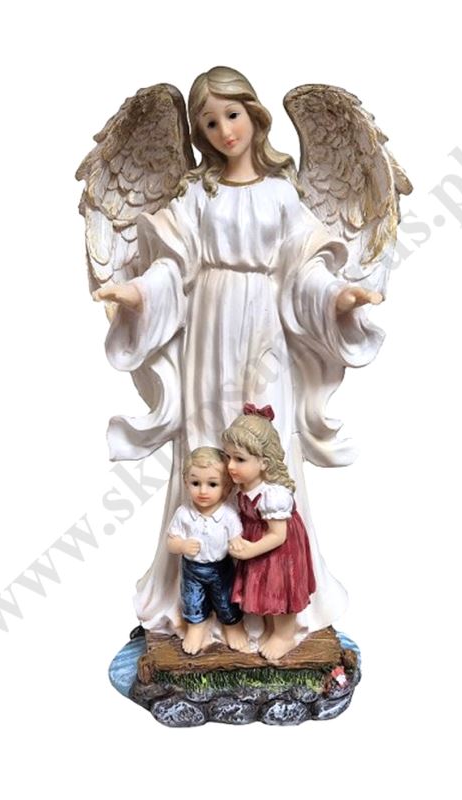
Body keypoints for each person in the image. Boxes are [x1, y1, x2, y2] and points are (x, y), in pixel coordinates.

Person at [97, 66, 385, 645]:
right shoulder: (195, 195)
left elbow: (305, 267)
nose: (224, 130)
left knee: (264, 449)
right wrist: (137, 293)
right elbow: (171, 265)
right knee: (207, 445)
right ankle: (202, 607)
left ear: (253, 114)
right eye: (209, 122)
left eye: (232, 115)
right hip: (209, 326)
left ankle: (269, 604)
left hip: (265, 327)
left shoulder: (282, 193)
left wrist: (338, 296)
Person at [222, 405, 315, 660]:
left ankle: (284, 636)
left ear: (264, 462)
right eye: (228, 457)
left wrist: (250, 549)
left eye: (239, 459)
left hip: (281, 552)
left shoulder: (273, 495)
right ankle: (271, 631)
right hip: (260, 546)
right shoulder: (244, 488)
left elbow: (278, 535)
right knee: (264, 590)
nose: (230, 465)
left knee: (280, 590)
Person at [165, 447, 249, 654]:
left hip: (221, 568)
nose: (203, 491)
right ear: (186, 482)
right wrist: (181, 545)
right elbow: (170, 542)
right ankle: (196, 628)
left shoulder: (228, 515)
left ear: (226, 487)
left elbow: (236, 538)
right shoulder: (184, 513)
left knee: (226, 599)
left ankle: (232, 626)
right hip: (192, 569)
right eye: (196, 483)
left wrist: (237, 544)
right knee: (192, 599)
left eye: (212, 484)